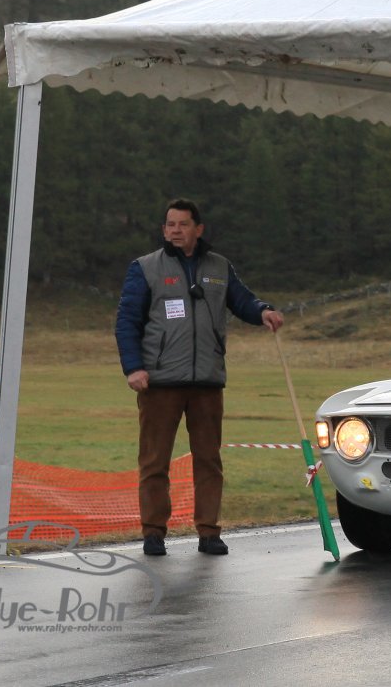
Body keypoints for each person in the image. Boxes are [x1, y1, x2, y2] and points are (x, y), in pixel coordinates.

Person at [115, 198, 284, 557]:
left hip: (207, 382)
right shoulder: (144, 268)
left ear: (198, 229)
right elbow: (127, 321)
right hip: (159, 382)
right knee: (154, 462)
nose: (175, 230)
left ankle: (209, 532)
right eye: (170, 225)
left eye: (183, 224)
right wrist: (133, 368)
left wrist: (263, 311)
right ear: (164, 230)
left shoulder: (219, 267)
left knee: (208, 460)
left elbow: (242, 300)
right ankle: (153, 533)